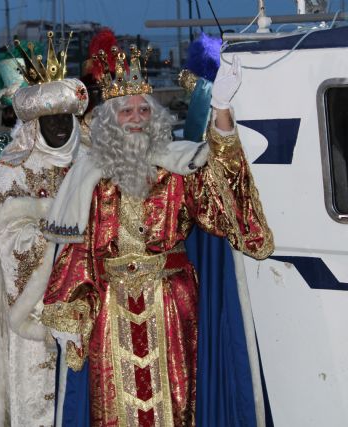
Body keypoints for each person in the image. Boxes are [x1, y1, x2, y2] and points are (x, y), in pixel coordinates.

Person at [40, 46, 274, 426]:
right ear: (110, 120)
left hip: (170, 305)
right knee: (112, 407)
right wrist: (67, 310)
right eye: (126, 111)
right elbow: (78, 253)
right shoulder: (88, 177)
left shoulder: (180, 164)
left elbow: (224, 201)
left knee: (175, 404)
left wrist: (221, 113)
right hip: (111, 308)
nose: (136, 119)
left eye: (144, 110)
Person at [0, 32, 89, 427]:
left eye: (63, 119)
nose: (56, 128)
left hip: (87, 304)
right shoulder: (12, 169)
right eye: (47, 120)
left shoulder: (94, 163)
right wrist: (40, 232)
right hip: (30, 311)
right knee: (36, 398)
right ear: (35, 125)